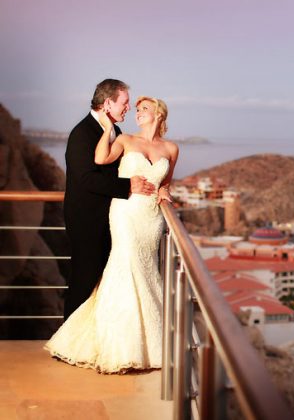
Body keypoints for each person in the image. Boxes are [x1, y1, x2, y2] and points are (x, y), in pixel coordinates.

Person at [45, 95, 179, 373]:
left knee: (146, 271)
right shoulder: (124, 139)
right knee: (125, 267)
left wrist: (165, 191)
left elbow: (166, 182)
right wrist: (107, 130)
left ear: (159, 114)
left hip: (151, 219)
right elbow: (100, 158)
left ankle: (147, 344)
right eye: (135, 107)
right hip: (126, 214)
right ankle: (120, 346)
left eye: (143, 109)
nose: (137, 112)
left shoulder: (171, 148)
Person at [62, 79, 156, 320]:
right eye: (124, 103)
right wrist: (129, 186)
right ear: (107, 104)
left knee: (104, 283)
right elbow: (86, 179)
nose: (128, 108)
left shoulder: (116, 131)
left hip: (111, 220)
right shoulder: (82, 133)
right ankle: (67, 340)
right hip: (87, 221)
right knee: (85, 280)